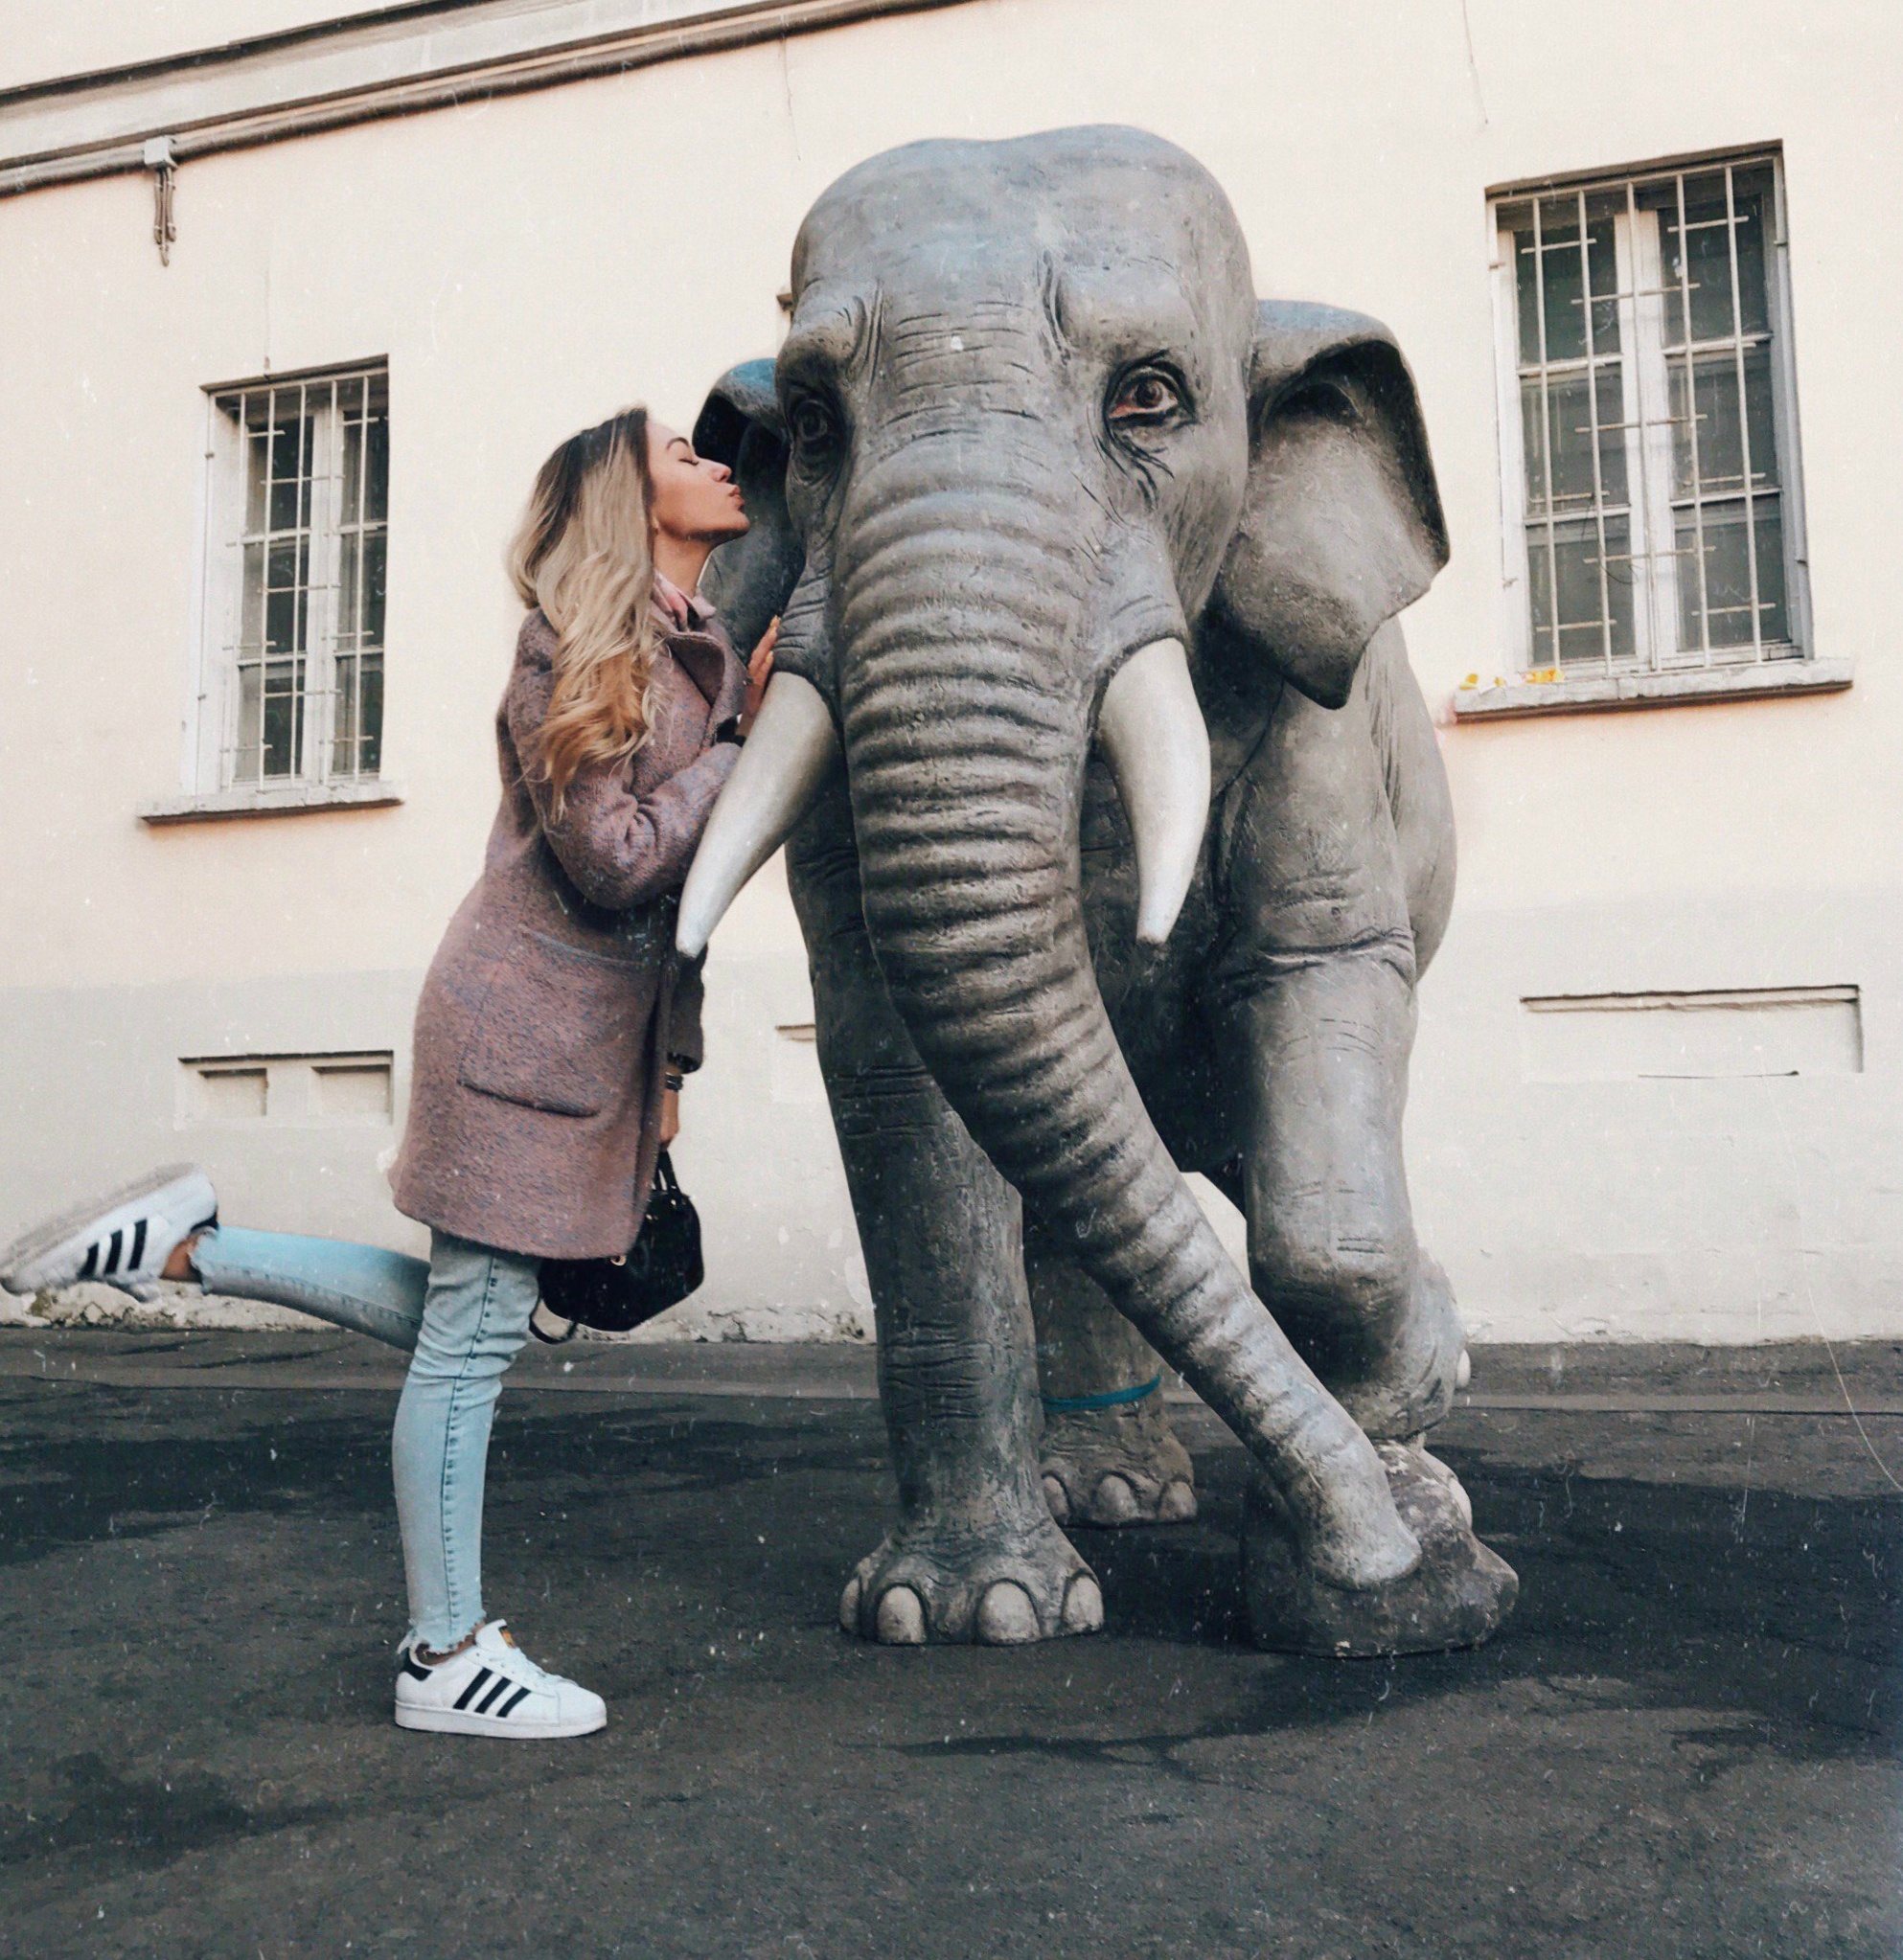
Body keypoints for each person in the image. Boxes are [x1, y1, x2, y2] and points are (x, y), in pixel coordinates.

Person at [0, 407, 775, 1741]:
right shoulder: (570, 646)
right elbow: (617, 860)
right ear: (627, 502)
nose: (714, 461)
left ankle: (184, 1247)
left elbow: (679, 913)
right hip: (519, 1034)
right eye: (677, 452)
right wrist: (737, 755)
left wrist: (674, 1069)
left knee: (469, 1324)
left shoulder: (695, 657)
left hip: (586, 1051)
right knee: (470, 1343)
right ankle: (444, 1652)